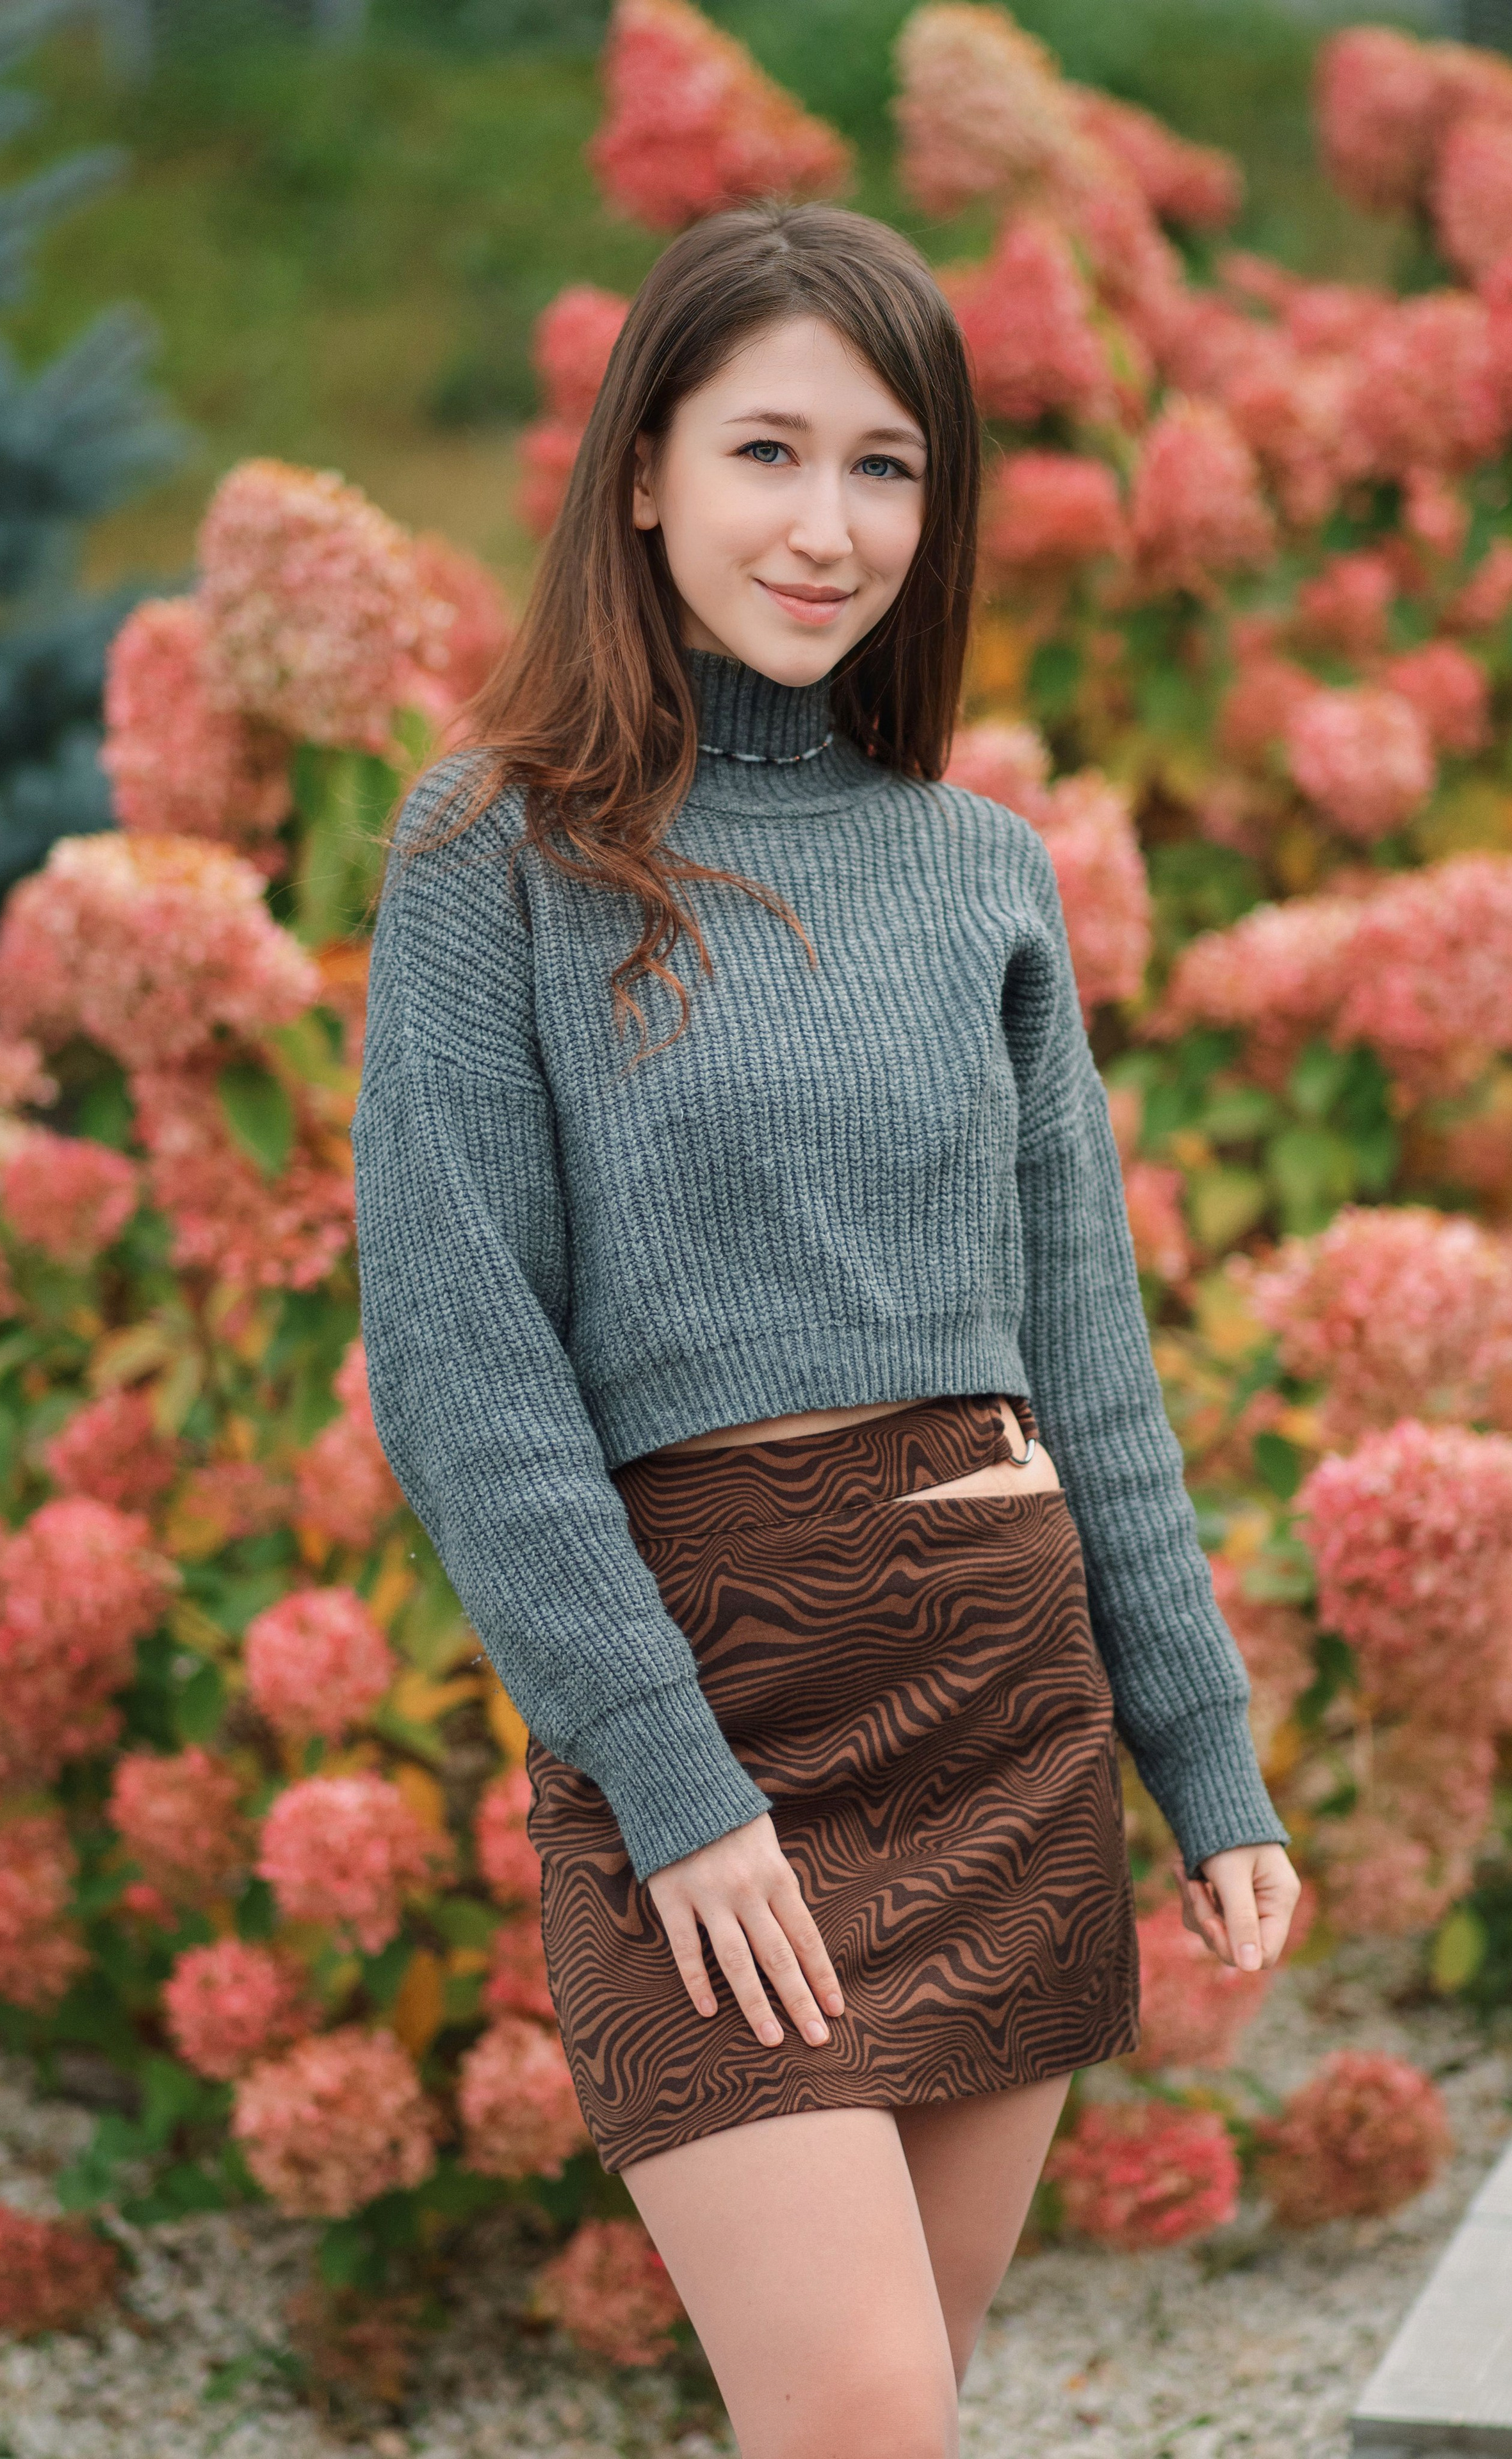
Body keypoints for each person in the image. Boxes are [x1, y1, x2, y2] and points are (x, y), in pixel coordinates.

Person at [353, 199, 1300, 2459]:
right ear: (644, 470)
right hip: (704, 1720)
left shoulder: (981, 870)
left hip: (999, 1707)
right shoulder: (491, 853)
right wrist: (671, 1787)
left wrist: (1204, 1745)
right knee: (866, 2411)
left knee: (883, 2422)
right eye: (768, 451)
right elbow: (466, 1371)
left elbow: (1089, 1359)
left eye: (887, 467)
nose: (829, 525)